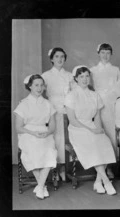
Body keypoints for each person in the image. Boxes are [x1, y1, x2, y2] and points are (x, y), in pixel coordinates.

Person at [64, 65, 117, 195]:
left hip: (92, 126)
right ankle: (106, 181)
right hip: (77, 129)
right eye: (81, 76)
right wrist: (91, 130)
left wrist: (98, 128)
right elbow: (73, 119)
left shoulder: (95, 95)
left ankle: (98, 181)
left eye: (87, 76)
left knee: (105, 141)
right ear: (76, 78)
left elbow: (97, 116)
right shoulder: (71, 95)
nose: (85, 79)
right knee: (93, 143)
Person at [14, 74, 57, 199]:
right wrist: (33, 133)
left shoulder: (48, 104)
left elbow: (52, 127)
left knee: (50, 152)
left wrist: (47, 133)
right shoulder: (23, 104)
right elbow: (18, 127)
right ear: (30, 87)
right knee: (32, 151)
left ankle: (40, 186)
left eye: (41, 85)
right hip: (27, 134)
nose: (39, 88)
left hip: (44, 133)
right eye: (36, 85)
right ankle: (42, 186)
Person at [42, 47, 74, 181]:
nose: (60, 59)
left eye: (62, 57)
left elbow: (73, 93)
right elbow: (42, 95)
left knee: (67, 139)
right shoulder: (46, 76)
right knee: (55, 140)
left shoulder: (70, 75)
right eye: (57, 57)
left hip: (67, 110)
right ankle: (56, 169)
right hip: (53, 110)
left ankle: (65, 168)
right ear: (51, 59)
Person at [90, 43, 120, 179]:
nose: (105, 55)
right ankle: (99, 167)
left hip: (111, 104)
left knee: (110, 135)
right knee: (98, 134)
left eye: (108, 53)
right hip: (96, 104)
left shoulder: (115, 70)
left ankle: (109, 167)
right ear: (98, 53)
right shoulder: (92, 70)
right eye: (103, 52)